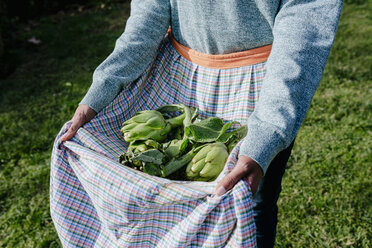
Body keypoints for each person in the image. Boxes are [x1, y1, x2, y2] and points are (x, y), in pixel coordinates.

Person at [59, 0, 343, 247]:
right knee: (167, 204)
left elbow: (303, 32)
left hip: (263, 90)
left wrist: (266, 132)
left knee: (252, 203)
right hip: (177, 79)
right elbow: (150, 12)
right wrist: (103, 89)